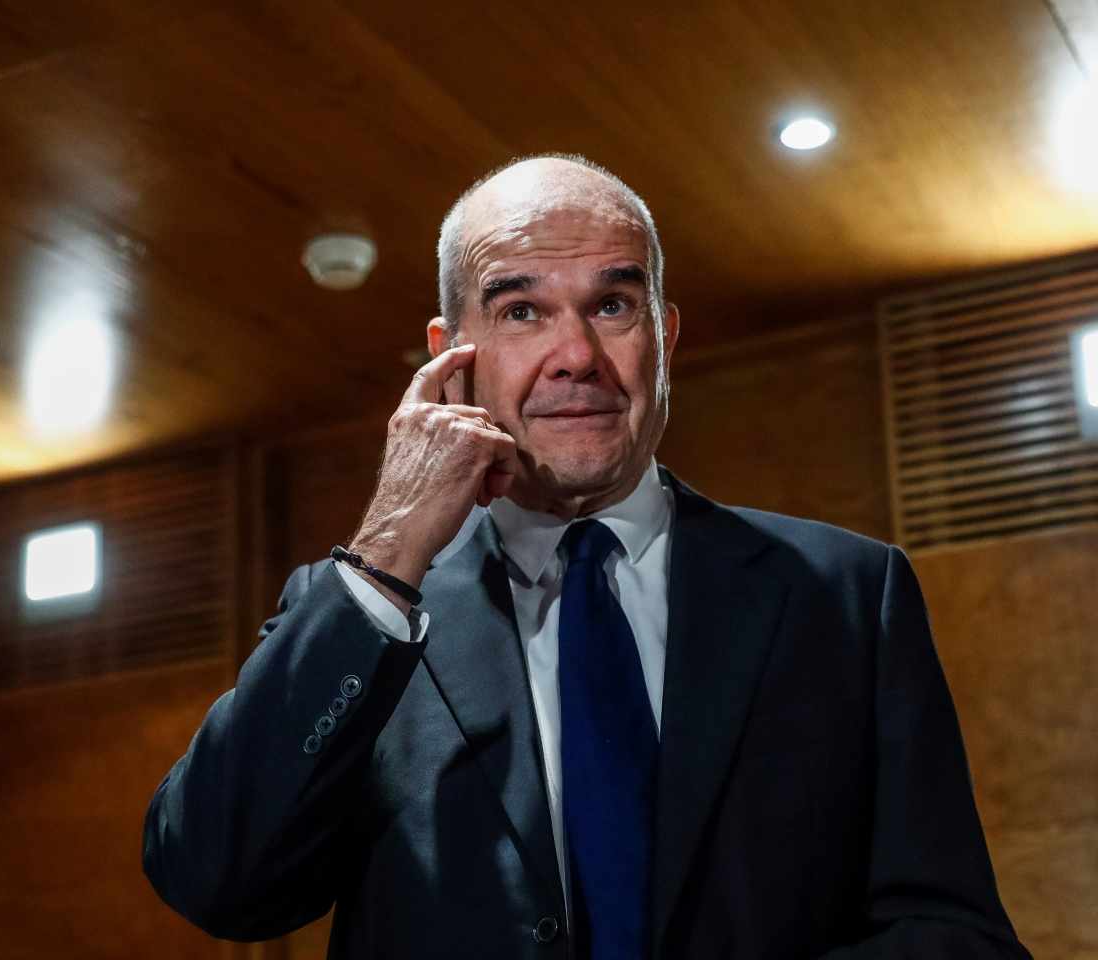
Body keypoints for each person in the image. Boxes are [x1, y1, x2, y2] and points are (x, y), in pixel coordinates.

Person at [143, 154, 1029, 959]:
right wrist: (385, 552)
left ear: (665, 338)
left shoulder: (847, 594)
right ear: (453, 356)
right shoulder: (358, 611)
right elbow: (215, 881)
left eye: (612, 304)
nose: (577, 356)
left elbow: (953, 935)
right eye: (521, 309)